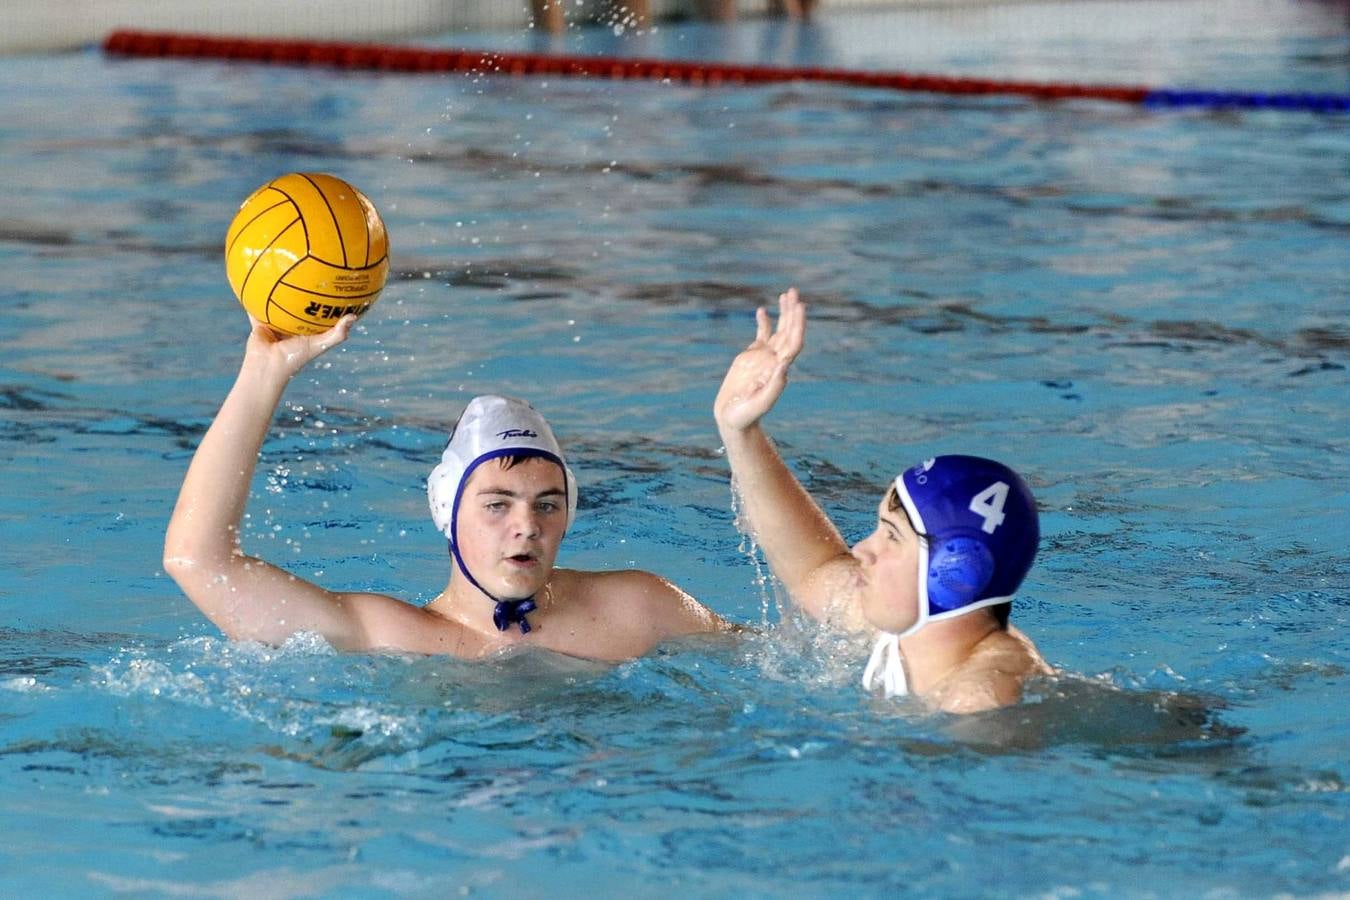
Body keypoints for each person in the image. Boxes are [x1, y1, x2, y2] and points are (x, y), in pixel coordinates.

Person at [164, 316, 730, 662]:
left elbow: (790, 661)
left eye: (547, 504)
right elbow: (197, 560)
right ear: (446, 511)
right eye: (497, 503)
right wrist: (263, 377)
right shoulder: (384, 636)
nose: (526, 525)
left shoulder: (641, 608)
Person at [713, 288, 1051, 714]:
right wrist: (739, 430)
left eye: (891, 536)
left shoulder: (981, 700)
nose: (862, 550)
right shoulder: (908, 630)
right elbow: (811, 569)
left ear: (955, 572)